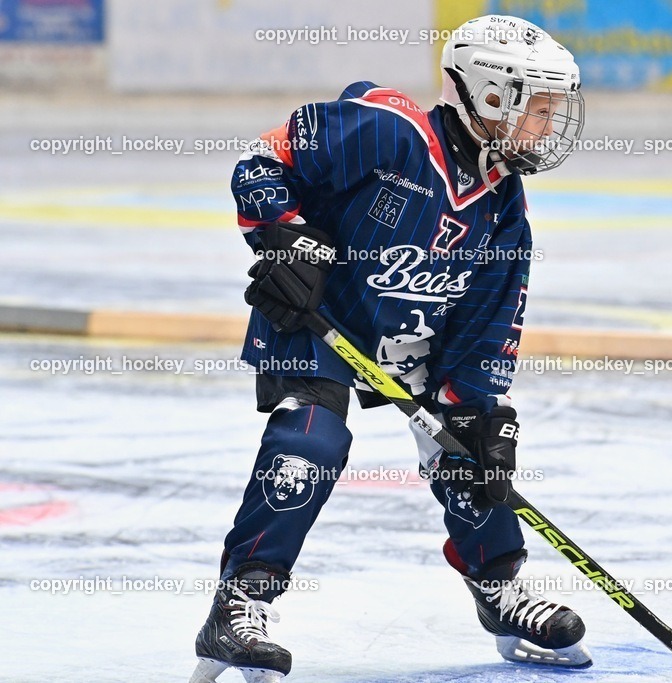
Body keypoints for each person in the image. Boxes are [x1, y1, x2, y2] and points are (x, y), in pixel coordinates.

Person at [190, 14, 587, 683]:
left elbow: (487, 326)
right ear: (492, 98)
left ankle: (496, 582)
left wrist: (481, 411)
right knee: (309, 443)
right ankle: (239, 602)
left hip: (408, 341)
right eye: (541, 110)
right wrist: (283, 236)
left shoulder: (504, 207)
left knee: (471, 443)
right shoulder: (388, 129)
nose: (550, 128)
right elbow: (263, 161)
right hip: (316, 314)